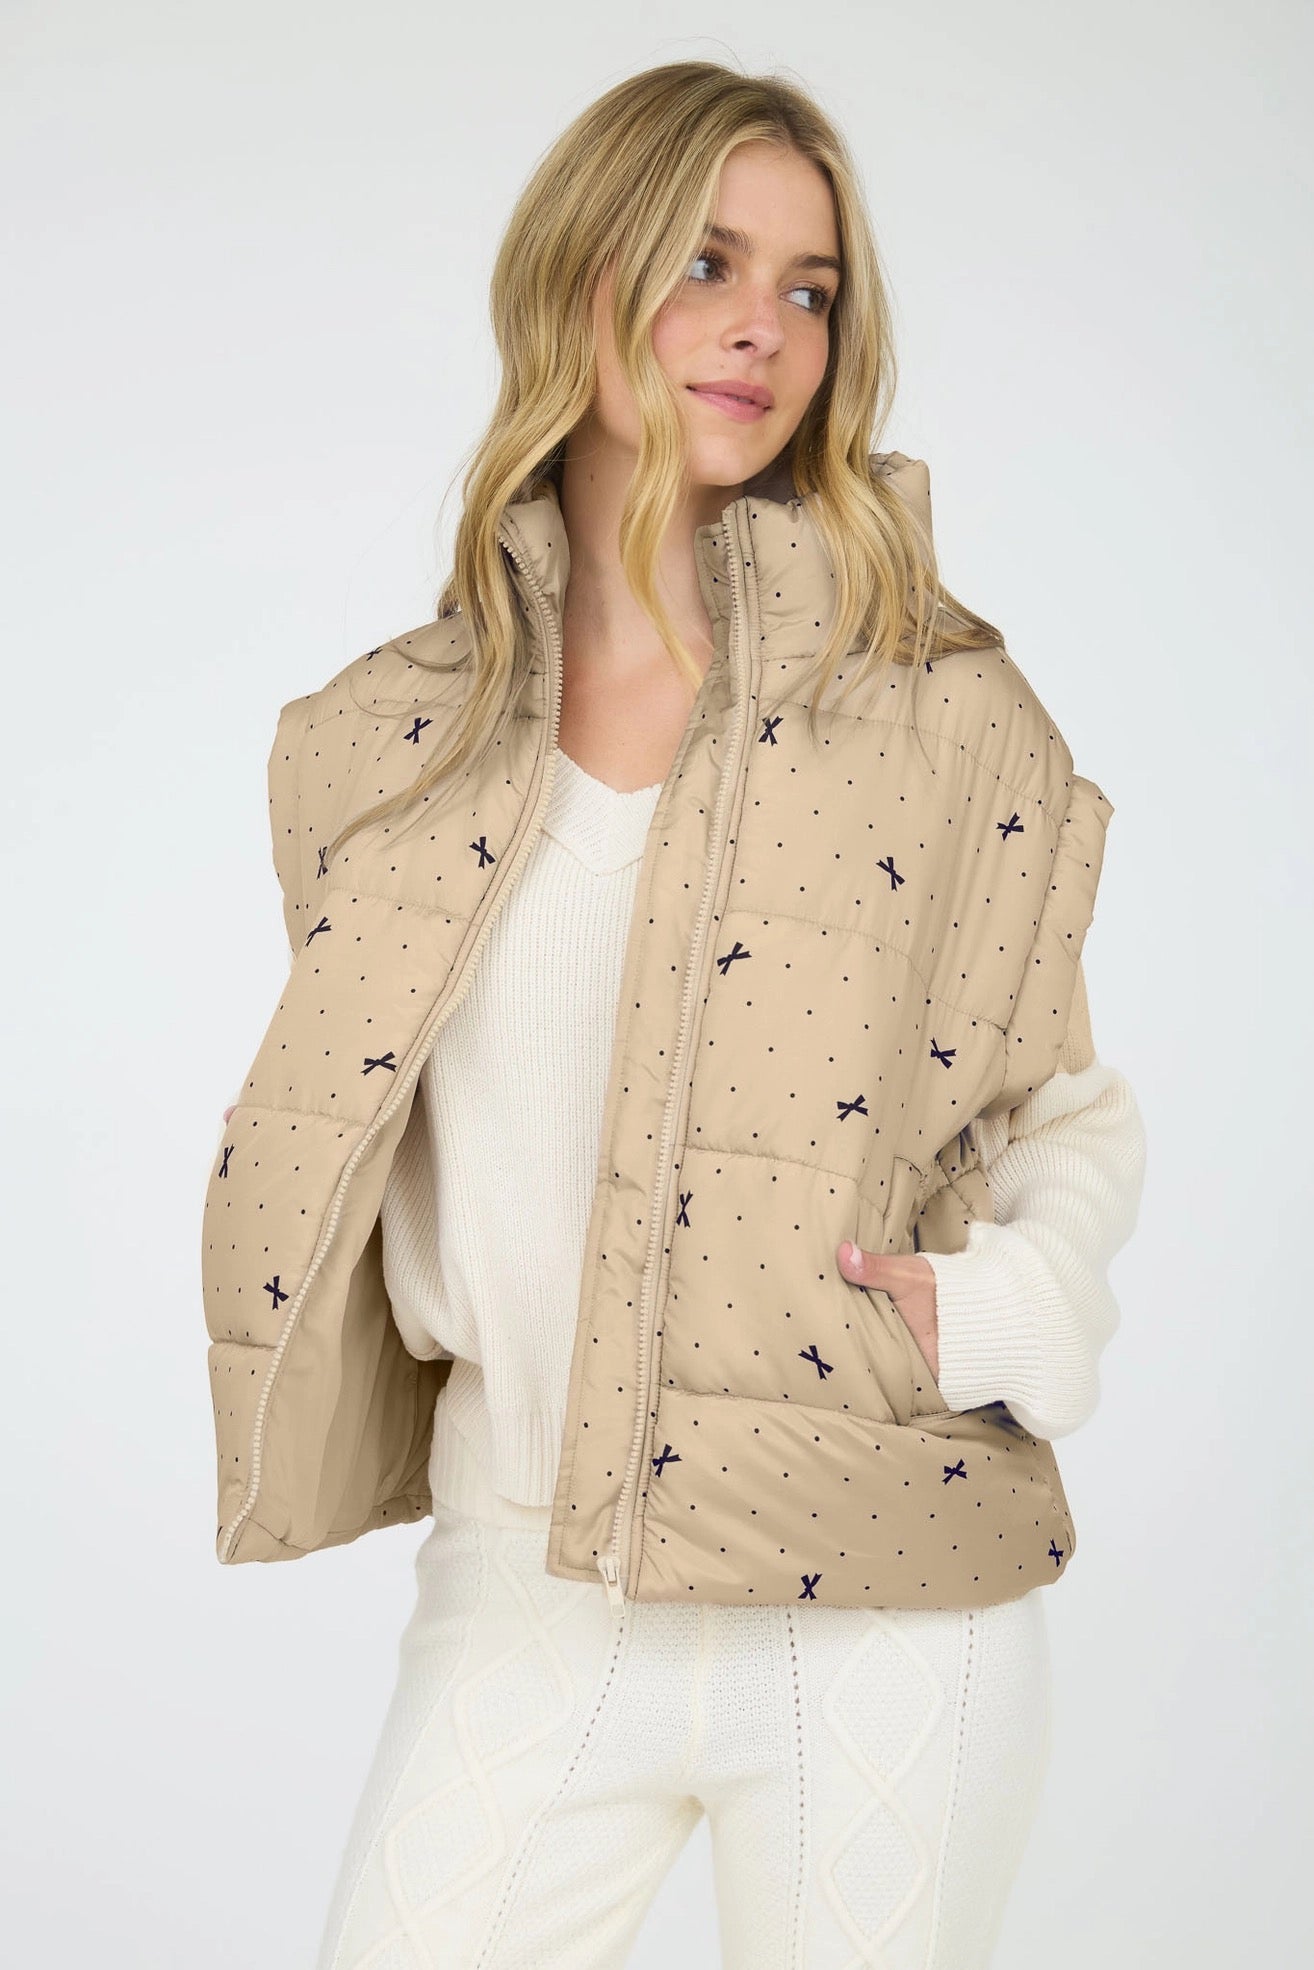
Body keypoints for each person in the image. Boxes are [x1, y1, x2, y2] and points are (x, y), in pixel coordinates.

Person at [207, 60, 1146, 1970]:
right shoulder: (375, 748)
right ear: (580, 277)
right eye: (705, 263)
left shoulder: (943, 714)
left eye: (810, 289)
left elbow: (1063, 1111)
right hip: (527, 1580)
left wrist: (994, 1307)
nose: (760, 328)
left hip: (878, 1589)